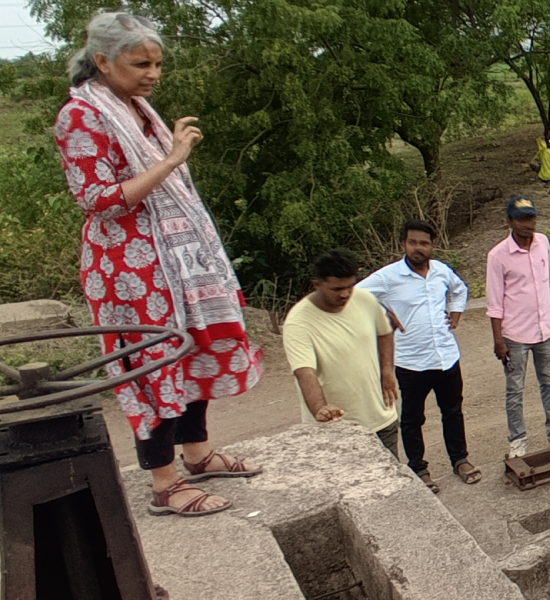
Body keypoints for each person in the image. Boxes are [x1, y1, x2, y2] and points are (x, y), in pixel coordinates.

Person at [53, 11, 262, 518]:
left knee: (192, 351)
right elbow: (98, 200)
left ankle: (197, 454)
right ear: (103, 61)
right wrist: (170, 160)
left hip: (180, 260)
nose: (152, 74)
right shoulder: (81, 116)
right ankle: (164, 483)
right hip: (132, 268)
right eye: (140, 63)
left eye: (158, 64)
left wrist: (170, 155)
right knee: (151, 362)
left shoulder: (138, 108)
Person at [358, 221, 481, 492]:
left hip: (446, 357)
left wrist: (456, 310)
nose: (418, 248)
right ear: (403, 244)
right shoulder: (388, 277)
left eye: (424, 243)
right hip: (410, 362)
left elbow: (460, 289)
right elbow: (355, 295)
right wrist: (383, 312)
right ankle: (419, 469)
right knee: (413, 419)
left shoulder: (441, 271)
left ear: (431, 246)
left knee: (452, 412)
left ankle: (460, 460)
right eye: (412, 242)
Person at [284, 250, 402, 470]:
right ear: (317, 285)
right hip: (336, 429)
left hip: (380, 417)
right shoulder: (298, 322)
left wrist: (387, 370)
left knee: (392, 487)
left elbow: (384, 332)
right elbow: (305, 372)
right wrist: (320, 408)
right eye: (337, 289)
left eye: (350, 286)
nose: (346, 294)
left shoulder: (365, 299)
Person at [488, 196, 550, 458]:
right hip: (515, 335)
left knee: (549, 381)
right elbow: (494, 302)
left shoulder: (543, 242)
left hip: (544, 329)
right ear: (510, 221)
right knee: (515, 388)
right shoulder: (498, 256)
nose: (529, 224)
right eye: (522, 219)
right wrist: (499, 340)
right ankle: (518, 439)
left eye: (532, 218)